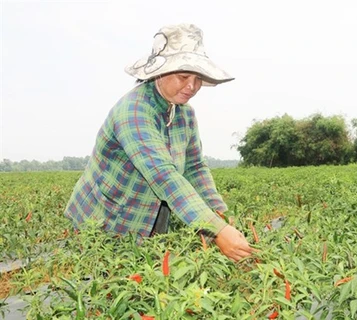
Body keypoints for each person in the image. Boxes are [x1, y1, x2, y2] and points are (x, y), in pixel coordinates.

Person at [64, 23, 254, 262]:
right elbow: (163, 175)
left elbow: (195, 168)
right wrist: (216, 230)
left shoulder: (184, 114)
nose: (192, 86)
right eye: (184, 76)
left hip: (146, 218)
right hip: (106, 219)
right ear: (159, 73)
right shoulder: (134, 111)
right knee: (108, 284)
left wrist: (220, 216)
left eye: (197, 79)